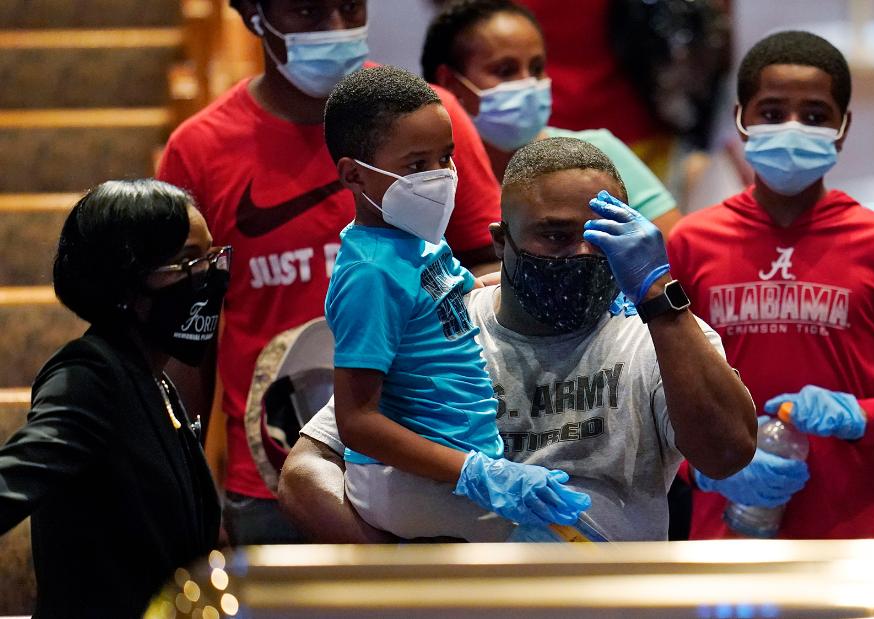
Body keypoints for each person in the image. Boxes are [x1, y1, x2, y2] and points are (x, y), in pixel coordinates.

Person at [278, 136, 758, 542]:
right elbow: (305, 472)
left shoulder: (659, 335)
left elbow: (727, 455)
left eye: (604, 232)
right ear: (501, 242)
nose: (584, 251)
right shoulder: (443, 326)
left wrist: (659, 297)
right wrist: (400, 581)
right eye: (556, 236)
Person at [156, 0, 504, 545]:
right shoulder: (199, 150)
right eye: (308, 11)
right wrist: (193, 493)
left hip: (437, 472)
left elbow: (486, 263)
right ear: (253, 15)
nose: (336, 29)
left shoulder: (428, 123)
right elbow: (184, 341)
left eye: (350, 8)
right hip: (271, 487)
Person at [666, 31, 874, 539]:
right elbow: (651, 404)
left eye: (816, 116)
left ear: (843, 130)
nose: (793, 128)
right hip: (724, 531)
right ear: (741, 119)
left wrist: (861, 416)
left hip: (849, 531)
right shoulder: (693, 241)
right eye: (772, 113)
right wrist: (708, 469)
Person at [323, 65, 591, 541]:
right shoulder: (370, 272)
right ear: (353, 175)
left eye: (445, 157)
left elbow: (448, 300)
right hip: (409, 481)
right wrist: (475, 472)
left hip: (454, 464)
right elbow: (357, 421)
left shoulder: (419, 241)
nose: (440, 176)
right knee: (556, 556)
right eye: (415, 165)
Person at [0, 180, 223, 617]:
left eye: (210, 256)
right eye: (186, 262)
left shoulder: (155, 380)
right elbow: (16, 475)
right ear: (129, 284)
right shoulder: (89, 375)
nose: (209, 274)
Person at [422, 0, 682, 238]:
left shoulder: (599, 151)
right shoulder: (427, 177)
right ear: (450, 83)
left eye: (536, 69)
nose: (528, 83)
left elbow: (679, 258)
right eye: (505, 71)